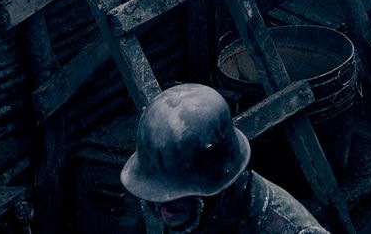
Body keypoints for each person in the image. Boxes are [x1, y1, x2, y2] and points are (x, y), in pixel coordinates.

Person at [122, 85, 326, 234]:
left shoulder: (289, 228)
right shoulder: (161, 200)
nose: (162, 208)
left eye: (174, 198)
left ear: (217, 183)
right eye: (154, 196)